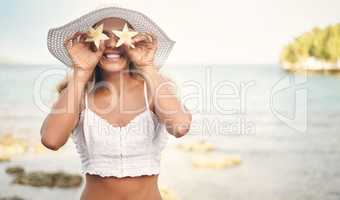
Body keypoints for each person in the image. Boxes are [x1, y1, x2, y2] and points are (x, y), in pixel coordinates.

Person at [40, 6, 192, 200]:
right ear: (91, 44)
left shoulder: (153, 90)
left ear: (133, 42)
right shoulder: (79, 95)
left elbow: (180, 127)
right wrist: (81, 72)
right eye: (103, 36)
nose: (112, 43)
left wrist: (147, 66)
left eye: (120, 36)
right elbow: (51, 140)